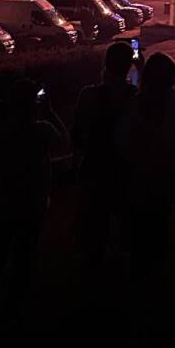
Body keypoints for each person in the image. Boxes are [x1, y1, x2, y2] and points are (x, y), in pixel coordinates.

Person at [0, 79, 65, 314]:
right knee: (24, 254)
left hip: (1, 198)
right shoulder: (42, 130)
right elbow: (65, 141)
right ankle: (15, 304)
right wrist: (51, 112)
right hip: (32, 201)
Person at [114, 52, 175, 276]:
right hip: (166, 176)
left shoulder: (135, 105)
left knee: (138, 228)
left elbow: (120, 140)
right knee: (159, 225)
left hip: (137, 178)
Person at [71, 42, 138, 268]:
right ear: (130, 65)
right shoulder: (134, 97)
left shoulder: (88, 95)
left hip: (95, 165)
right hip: (124, 168)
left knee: (93, 220)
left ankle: (92, 265)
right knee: (124, 217)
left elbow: (76, 132)